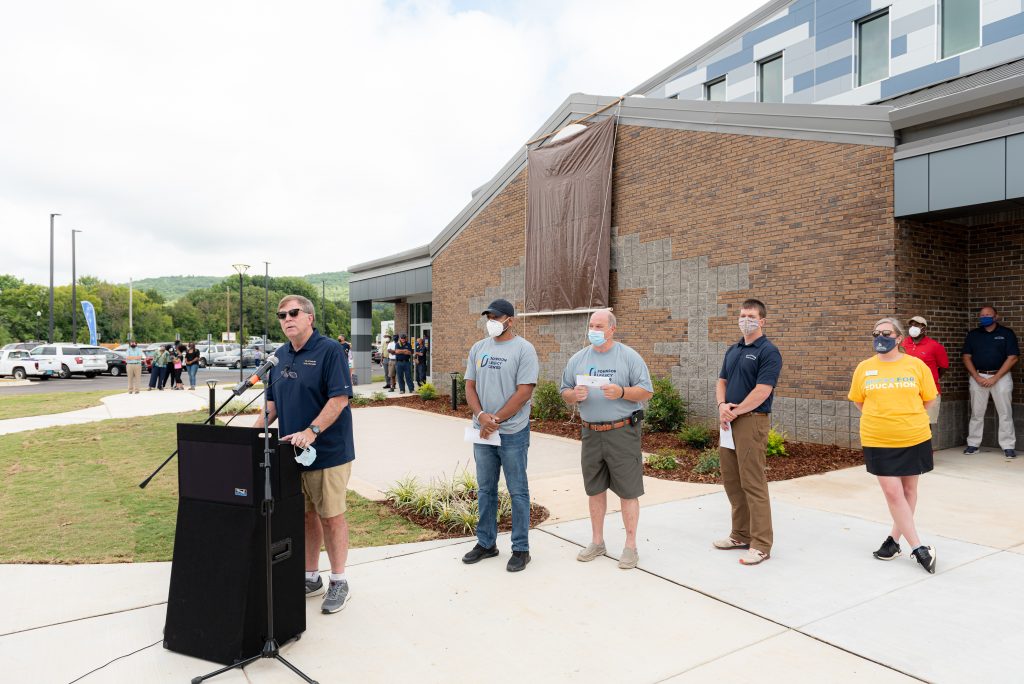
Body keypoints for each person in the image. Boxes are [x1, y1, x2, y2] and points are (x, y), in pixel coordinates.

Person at [253, 294, 356, 614]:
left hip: (327, 452)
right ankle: (311, 576)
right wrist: (250, 436)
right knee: (305, 515)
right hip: (290, 454)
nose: (287, 319)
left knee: (331, 515)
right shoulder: (279, 357)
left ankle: (339, 580)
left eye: (293, 313)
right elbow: (271, 406)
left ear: (309, 317)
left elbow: (339, 400)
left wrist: (312, 431)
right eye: (282, 315)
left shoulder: (330, 351)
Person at [560, 309, 653, 570]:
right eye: (591, 325)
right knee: (595, 489)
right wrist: (573, 395)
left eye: (599, 326)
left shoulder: (629, 356)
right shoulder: (578, 358)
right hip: (590, 432)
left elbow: (646, 390)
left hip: (621, 432)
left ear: (612, 329)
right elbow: (564, 390)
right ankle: (597, 542)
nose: (594, 331)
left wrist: (621, 391)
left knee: (628, 490)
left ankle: (630, 546)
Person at [849, 317, 938, 574]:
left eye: (886, 333)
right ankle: (918, 548)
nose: (880, 337)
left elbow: (928, 400)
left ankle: (893, 541)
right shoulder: (864, 368)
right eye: (876, 332)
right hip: (878, 438)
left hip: (914, 436)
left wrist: (904, 417)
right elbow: (859, 402)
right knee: (892, 493)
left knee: (909, 490)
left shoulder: (916, 366)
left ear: (899, 338)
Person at [463, 298, 538, 572]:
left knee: (518, 491)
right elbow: (470, 386)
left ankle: (521, 549)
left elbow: (524, 391)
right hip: (483, 431)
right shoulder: (478, 348)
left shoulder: (524, 349)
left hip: (512, 432)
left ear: (510, 320)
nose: (491, 321)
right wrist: (482, 416)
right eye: (489, 317)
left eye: (496, 317)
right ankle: (486, 543)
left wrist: (496, 419)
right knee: (485, 489)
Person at [715, 298, 783, 566]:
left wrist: (737, 410)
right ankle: (740, 534)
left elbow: (763, 390)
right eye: (742, 315)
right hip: (728, 421)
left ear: (762, 321)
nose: (746, 319)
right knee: (732, 480)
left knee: (753, 481)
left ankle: (761, 544)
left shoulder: (768, 351)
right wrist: (722, 406)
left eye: (751, 316)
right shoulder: (733, 350)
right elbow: (722, 381)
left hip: (751, 420)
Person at [962, 305, 1019, 460]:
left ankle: (1008, 446)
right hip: (978, 377)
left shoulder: (1006, 333)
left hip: (1001, 377)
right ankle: (973, 444)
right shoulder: (973, 335)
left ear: (996, 317)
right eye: (982, 315)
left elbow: (1012, 357)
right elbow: (966, 357)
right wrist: (976, 376)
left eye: (988, 315)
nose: (984, 317)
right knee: (976, 413)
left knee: (1005, 413)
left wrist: (996, 377)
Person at [902, 316, 948, 425]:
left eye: (917, 325)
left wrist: (930, 378)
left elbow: (944, 367)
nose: (913, 327)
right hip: (907, 391)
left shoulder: (935, 346)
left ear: (924, 328)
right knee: (908, 424)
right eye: (911, 325)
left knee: (926, 424)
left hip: (929, 392)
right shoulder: (903, 344)